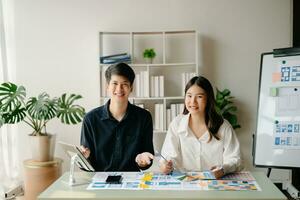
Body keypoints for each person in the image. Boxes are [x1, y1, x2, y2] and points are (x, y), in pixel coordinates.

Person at [159, 76, 242, 178]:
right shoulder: (177, 123)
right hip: (185, 183)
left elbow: (235, 158)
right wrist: (166, 165)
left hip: (216, 183)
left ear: (208, 99)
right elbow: (169, 155)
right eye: (189, 96)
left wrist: (223, 169)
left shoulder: (223, 126)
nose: (192, 102)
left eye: (199, 97)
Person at [80, 62, 154, 171]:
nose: (119, 89)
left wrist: (143, 162)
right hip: (100, 182)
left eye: (124, 84)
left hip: (131, 181)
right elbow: (86, 164)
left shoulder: (144, 117)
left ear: (131, 88)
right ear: (107, 86)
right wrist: (84, 158)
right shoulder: (91, 119)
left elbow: (147, 157)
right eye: (115, 83)